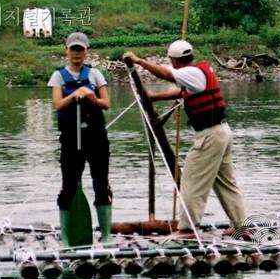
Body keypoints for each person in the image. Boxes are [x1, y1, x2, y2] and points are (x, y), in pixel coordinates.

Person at [122, 41, 246, 236]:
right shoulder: (198, 72)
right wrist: (155, 97)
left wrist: (139, 61)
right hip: (222, 132)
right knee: (226, 183)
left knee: (191, 179)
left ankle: (188, 228)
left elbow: (165, 74)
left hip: (210, 135)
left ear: (173, 60)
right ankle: (241, 227)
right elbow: (182, 92)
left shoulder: (189, 73)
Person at [49, 32, 113, 243]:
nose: (76, 53)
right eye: (73, 49)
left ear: (86, 51)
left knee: (101, 183)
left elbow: (106, 104)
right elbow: (58, 104)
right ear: (67, 51)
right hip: (70, 137)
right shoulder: (58, 76)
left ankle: (105, 236)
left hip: (96, 136)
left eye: (80, 49)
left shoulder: (95, 75)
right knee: (69, 184)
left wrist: (91, 97)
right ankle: (66, 238)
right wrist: (74, 96)